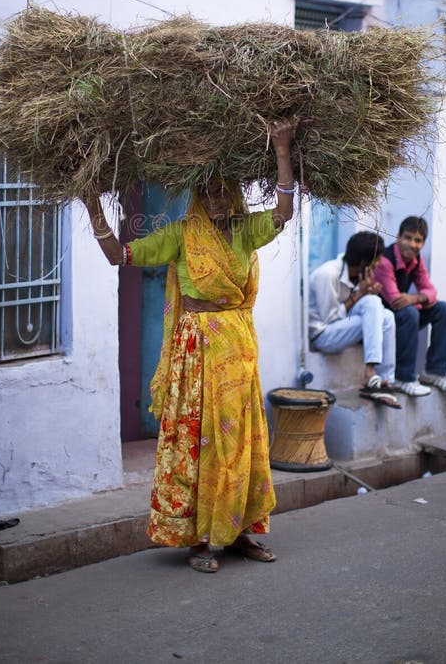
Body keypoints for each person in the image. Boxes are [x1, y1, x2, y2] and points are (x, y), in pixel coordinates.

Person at [84, 119, 296, 574]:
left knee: (239, 443)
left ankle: (238, 531)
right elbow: (119, 256)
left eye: (224, 191)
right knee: (199, 442)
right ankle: (201, 539)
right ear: (199, 196)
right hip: (196, 355)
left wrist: (282, 150)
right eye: (210, 193)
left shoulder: (244, 231)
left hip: (238, 353)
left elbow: (282, 213)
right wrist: (91, 205)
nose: (218, 200)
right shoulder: (181, 234)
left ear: (234, 195)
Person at [308, 232, 400, 408]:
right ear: (364, 263)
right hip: (323, 335)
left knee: (386, 315)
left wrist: (366, 292)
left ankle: (384, 380)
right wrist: (360, 294)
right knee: (372, 303)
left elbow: (356, 307)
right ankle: (370, 372)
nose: (379, 264)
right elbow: (331, 319)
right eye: (376, 260)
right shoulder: (327, 274)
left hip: (341, 327)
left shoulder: (357, 274)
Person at [374, 216, 446, 396]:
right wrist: (421, 299)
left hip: (404, 315)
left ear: (423, 243)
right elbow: (395, 301)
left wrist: (415, 298)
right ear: (398, 237)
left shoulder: (416, 260)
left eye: (418, 240)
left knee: (443, 309)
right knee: (409, 313)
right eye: (407, 237)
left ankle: (435, 372)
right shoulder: (385, 261)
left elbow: (430, 291)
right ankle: (403, 378)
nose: (412, 244)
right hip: (383, 321)